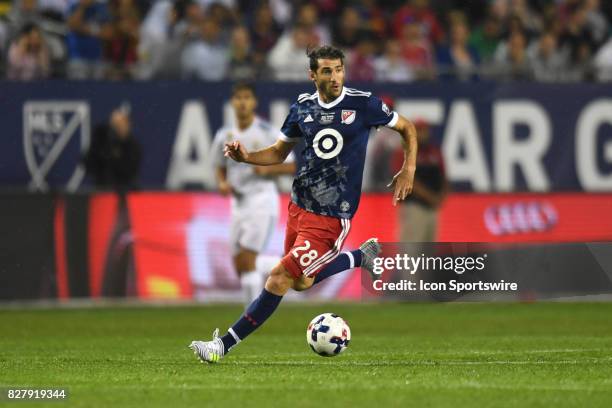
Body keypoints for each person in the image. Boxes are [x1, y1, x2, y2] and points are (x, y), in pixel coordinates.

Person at [189, 45, 418, 363]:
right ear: (313, 75)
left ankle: (220, 347)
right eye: (327, 70)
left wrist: (408, 168)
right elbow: (279, 152)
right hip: (298, 207)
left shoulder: (363, 104)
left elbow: (407, 127)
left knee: (279, 277)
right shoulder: (302, 108)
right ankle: (359, 257)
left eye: (339, 69)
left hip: (331, 216)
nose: (335, 77)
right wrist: (246, 158)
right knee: (302, 281)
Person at [210, 82, 296, 306]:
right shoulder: (224, 134)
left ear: (254, 102)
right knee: (240, 266)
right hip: (238, 204)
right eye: (238, 98)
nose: (242, 103)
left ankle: (250, 317)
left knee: (248, 262)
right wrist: (222, 182)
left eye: (247, 98)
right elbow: (219, 164)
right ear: (232, 102)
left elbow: (291, 166)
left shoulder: (267, 132)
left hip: (262, 201)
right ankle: (292, 267)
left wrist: (268, 168)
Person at [394, 119, 448, 243]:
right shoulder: (404, 151)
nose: (423, 133)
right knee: (411, 250)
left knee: (428, 252)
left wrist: (441, 197)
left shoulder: (434, 151)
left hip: (433, 208)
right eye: (419, 130)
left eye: (425, 130)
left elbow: (443, 176)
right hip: (414, 206)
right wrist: (431, 197)